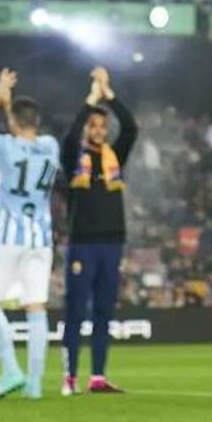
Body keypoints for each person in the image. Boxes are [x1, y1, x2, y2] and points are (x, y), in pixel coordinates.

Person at [0, 68, 60, 400]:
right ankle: (34, 384)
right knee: (36, 307)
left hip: (8, 237)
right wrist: (11, 108)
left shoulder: (5, 147)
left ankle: (10, 370)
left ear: (12, 123)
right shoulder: (50, 146)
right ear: (37, 121)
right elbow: (23, 133)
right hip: (41, 240)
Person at [61, 66, 138, 396]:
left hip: (112, 242)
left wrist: (110, 97)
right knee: (76, 311)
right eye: (93, 125)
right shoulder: (73, 157)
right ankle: (70, 377)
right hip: (83, 243)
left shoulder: (113, 157)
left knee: (104, 311)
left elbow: (131, 128)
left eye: (103, 126)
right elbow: (69, 136)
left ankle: (97, 377)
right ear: (86, 128)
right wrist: (91, 100)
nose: (99, 130)